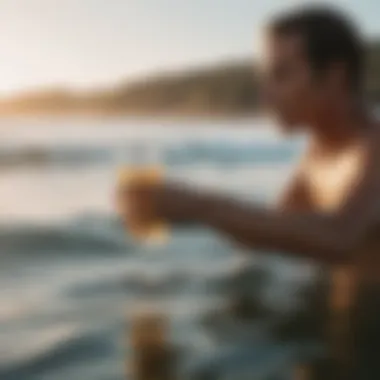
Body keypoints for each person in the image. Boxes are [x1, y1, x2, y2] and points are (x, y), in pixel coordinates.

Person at [118, 6, 380, 380]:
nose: (266, 95)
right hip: (336, 331)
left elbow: (341, 237)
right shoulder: (318, 155)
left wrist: (201, 206)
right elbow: (274, 234)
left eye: (281, 75)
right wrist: (177, 208)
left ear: (334, 76)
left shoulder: (376, 149)